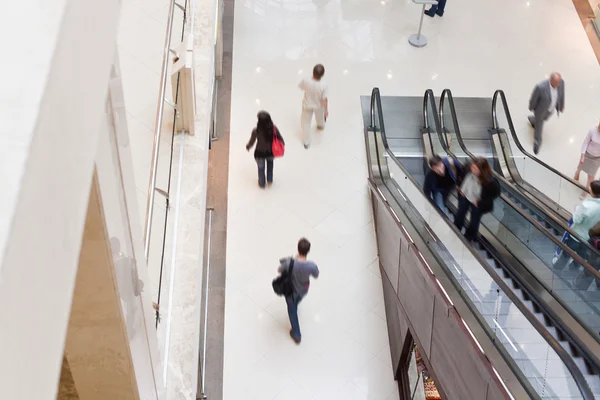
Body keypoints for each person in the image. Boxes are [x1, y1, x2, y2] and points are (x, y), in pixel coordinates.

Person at [277, 238, 320, 344]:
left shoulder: (290, 263)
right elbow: (316, 275)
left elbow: (279, 270)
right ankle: (295, 304)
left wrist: (288, 262)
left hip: (291, 291)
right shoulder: (312, 265)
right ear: (308, 251)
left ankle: (296, 334)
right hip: (304, 289)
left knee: (292, 311)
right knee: (297, 301)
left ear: (298, 249)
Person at [554, 181, 600, 276]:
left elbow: (576, 219)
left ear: (593, 192)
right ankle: (573, 268)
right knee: (581, 255)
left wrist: (575, 210)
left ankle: (558, 267)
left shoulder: (586, 205)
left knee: (567, 252)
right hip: (589, 238)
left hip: (576, 235)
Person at [453, 157, 501, 241]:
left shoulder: (490, 182)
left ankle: (468, 237)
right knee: (460, 213)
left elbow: (495, 194)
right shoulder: (468, 169)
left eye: (475, 168)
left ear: (482, 170)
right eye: (472, 167)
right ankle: (455, 230)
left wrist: (480, 202)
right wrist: (461, 188)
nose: (472, 169)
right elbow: (461, 177)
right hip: (466, 196)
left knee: (474, 220)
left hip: (478, 201)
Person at [528, 72, 565, 154]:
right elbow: (533, 99)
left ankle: (532, 119)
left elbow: (562, 95)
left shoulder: (561, 83)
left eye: (558, 83)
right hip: (540, 111)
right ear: (550, 80)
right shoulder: (541, 87)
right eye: (555, 83)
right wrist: (531, 107)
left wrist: (561, 106)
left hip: (550, 110)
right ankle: (537, 143)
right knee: (539, 126)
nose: (557, 85)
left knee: (544, 119)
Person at [246, 111, 284, 188]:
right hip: (271, 152)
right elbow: (281, 139)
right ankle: (269, 181)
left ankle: (262, 184)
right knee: (270, 166)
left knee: (261, 169)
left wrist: (248, 146)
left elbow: (252, 141)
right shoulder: (274, 129)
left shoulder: (256, 131)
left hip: (259, 153)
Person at [299, 64, 328, 149]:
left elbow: (302, 88)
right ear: (322, 75)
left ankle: (306, 142)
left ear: (313, 72)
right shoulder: (324, 85)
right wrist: (326, 111)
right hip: (318, 106)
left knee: (305, 123)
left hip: (307, 105)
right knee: (320, 117)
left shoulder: (305, 80)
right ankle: (320, 125)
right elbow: (324, 100)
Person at [574, 122, 600, 192]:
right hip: (587, 154)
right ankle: (577, 173)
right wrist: (582, 155)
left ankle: (586, 190)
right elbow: (585, 142)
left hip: (597, 159)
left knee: (591, 177)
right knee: (580, 167)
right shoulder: (592, 131)